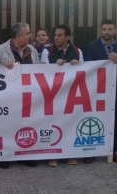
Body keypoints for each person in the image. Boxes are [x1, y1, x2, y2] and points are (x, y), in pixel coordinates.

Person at [0, 22, 39, 168]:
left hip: (27, 95)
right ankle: (6, 156)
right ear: (19, 36)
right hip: (8, 97)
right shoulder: (0, 50)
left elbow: (37, 71)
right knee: (7, 126)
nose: (30, 36)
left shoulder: (32, 50)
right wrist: (2, 66)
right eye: (28, 33)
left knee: (25, 125)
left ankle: (24, 154)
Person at [40, 24, 82, 166]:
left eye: (59, 35)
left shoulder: (77, 51)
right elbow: (43, 71)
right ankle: (52, 155)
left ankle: (68, 154)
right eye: (55, 35)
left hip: (71, 94)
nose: (56, 38)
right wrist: (54, 66)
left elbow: (85, 71)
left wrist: (77, 64)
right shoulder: (48, 52)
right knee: (52, 123)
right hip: (53, 94)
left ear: (67, 37)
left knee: (69, 123)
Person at [84, 19, 117, 164]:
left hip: (115, 91)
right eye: (105, 29)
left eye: (110, 29)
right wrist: (106, 59)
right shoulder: (91, 46)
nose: (107, 32)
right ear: (100, 31)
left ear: (115, 31)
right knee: (94, 119)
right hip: (97, 91)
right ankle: (91, 151)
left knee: (113, 122)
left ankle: (113, 151)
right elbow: (88, 66)